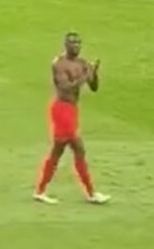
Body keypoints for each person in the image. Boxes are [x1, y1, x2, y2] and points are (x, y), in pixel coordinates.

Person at [34, 33, 110, 205]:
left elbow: (94, 87)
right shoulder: (59, 64)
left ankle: (40, 191)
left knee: (58, 152)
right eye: (73, 43)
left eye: (78, 43)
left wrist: (94, 74)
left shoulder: (82, 63)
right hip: (61, 110)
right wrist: (84, 77)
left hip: (72, 110)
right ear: (66, 45)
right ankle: (91, 193)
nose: (76, 46)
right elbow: (64, 87)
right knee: (77, 148)